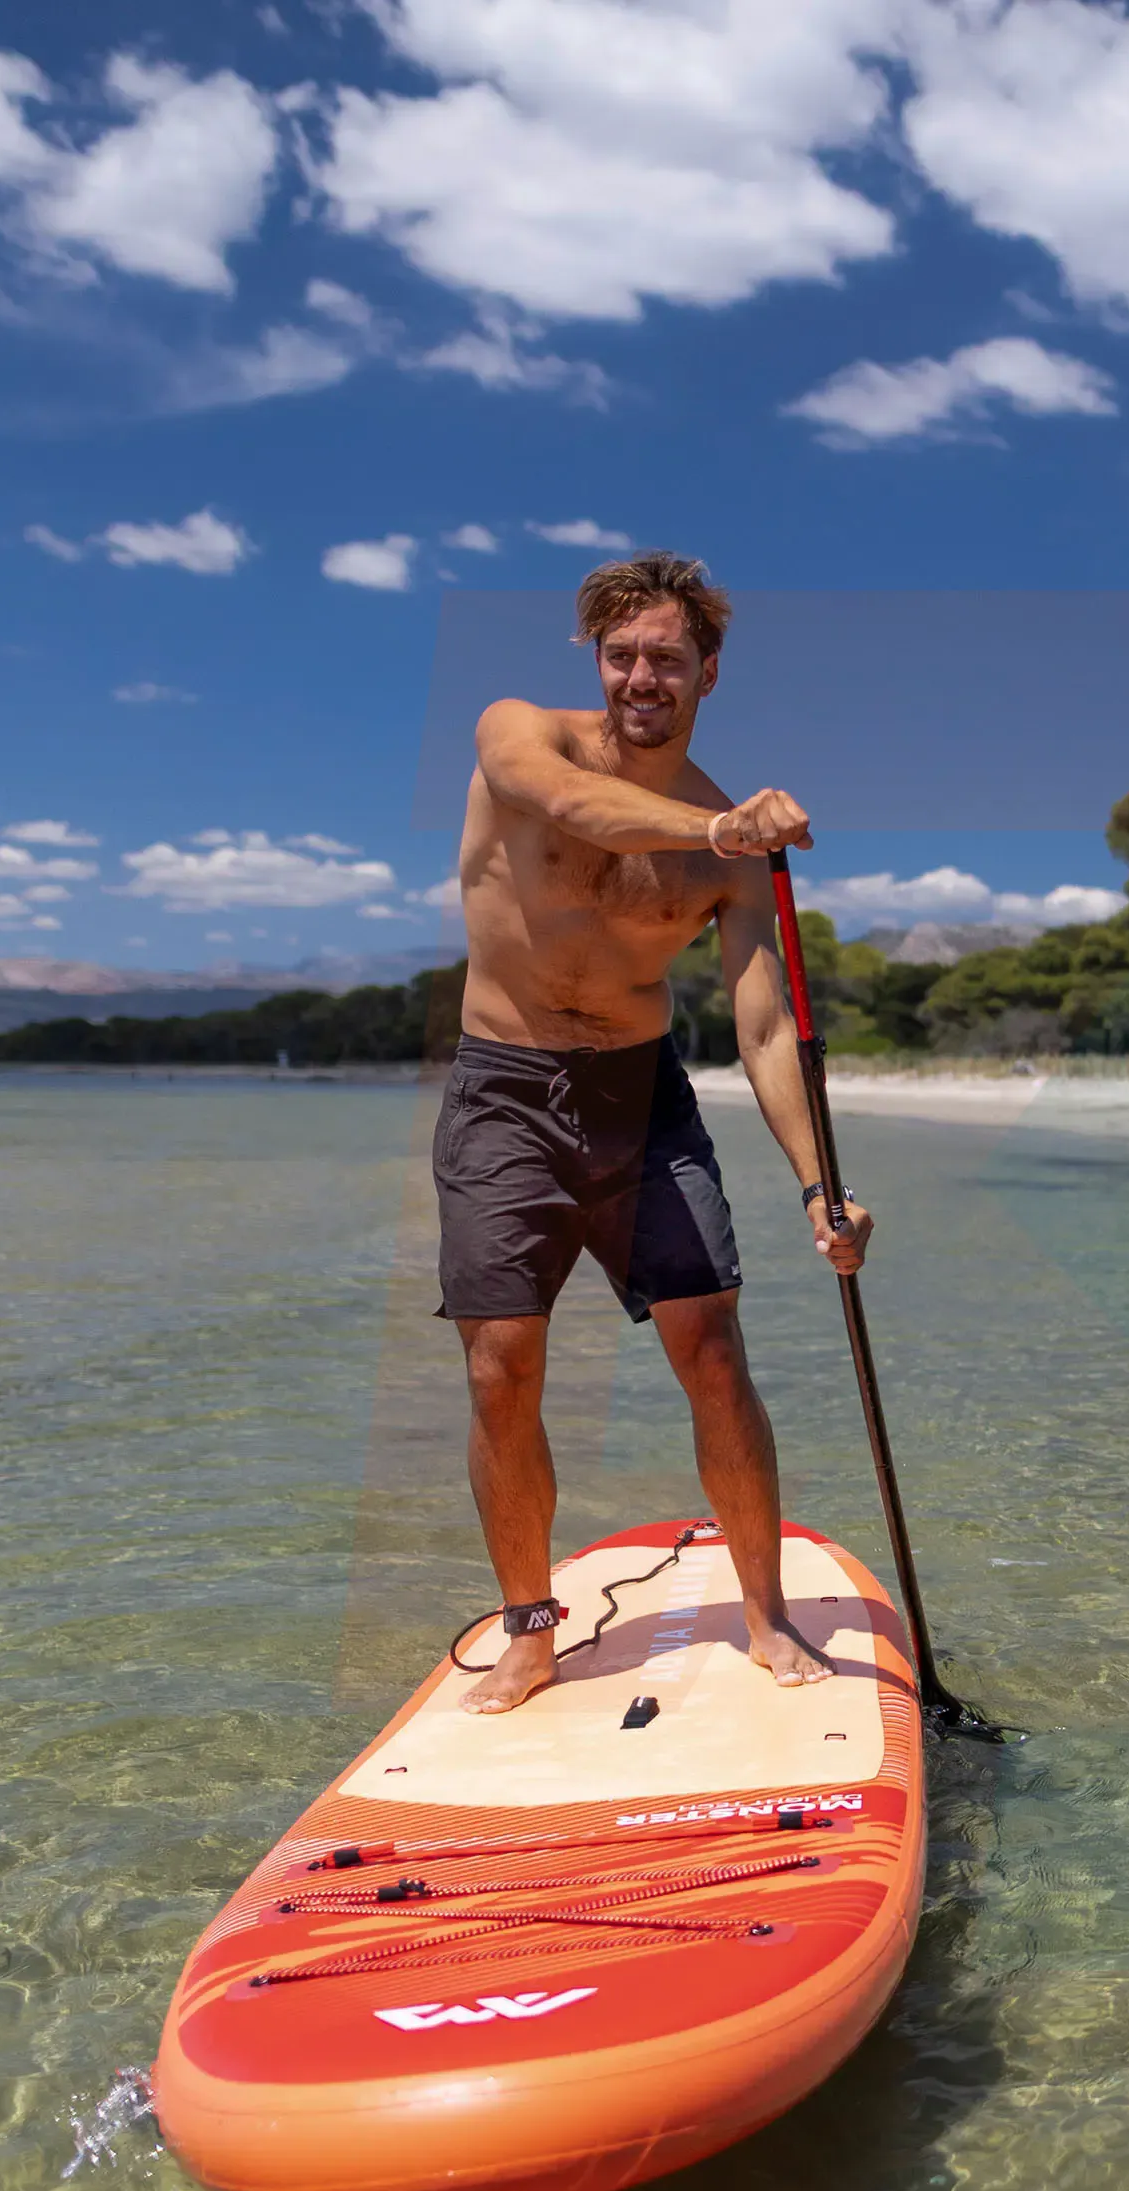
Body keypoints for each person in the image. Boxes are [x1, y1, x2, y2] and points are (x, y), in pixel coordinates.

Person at [433, 552, 874, 1711]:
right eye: (621, 654)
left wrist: (818, 1184)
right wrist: (727, 828)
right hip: (505, 1092)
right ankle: (530, 1629)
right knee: (500, 1365)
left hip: (643, 1098)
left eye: (666, 659)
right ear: (595, 660)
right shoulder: (519, 734)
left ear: (707, 673)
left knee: (713, 1349)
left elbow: (765, 1027)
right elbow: (581, 808)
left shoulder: (727, 847)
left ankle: (766, 1614)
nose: (641, 677)